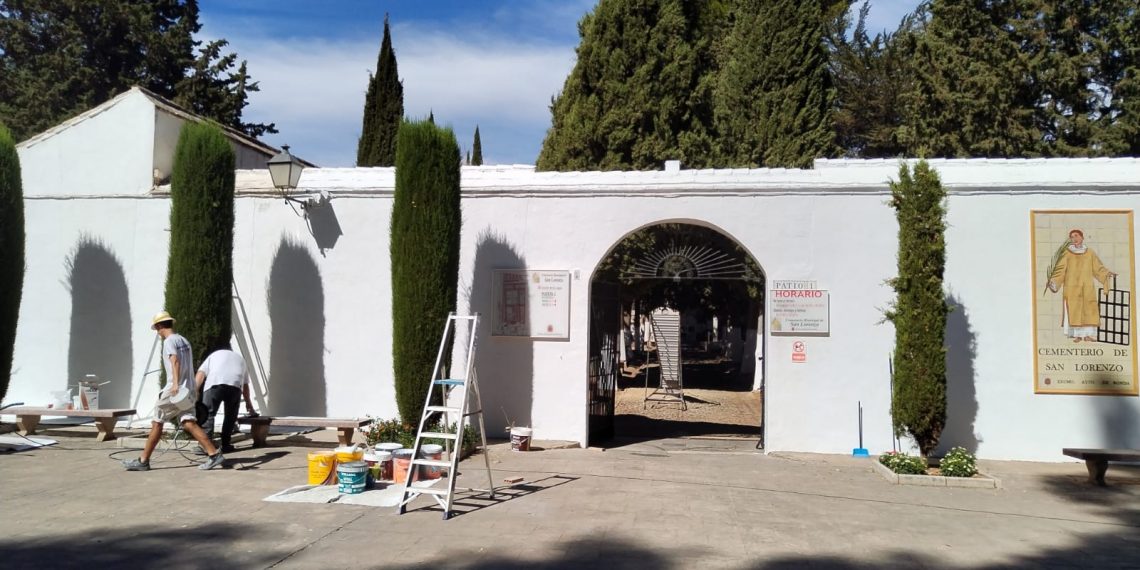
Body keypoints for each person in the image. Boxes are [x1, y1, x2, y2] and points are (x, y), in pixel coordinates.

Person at [122, 311, 225, 471]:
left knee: (157, 422)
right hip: (187, 389)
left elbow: (174, 361)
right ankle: (213, 454)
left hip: (174, 391)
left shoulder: (169, 341)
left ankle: (143, 461)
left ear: (159, 326)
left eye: (157, 328)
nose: (157, 332)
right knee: (188, 422)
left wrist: (175, 385)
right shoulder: (184, 340)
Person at [1047, 229, 1116, 343]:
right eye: (1072, 237)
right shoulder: (1066, 253)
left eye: (1076, 236)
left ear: (1082, 237)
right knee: (1075, 311)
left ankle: (1088, 335)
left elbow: (1098, 268)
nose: (1075, 239)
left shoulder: (1090, 253)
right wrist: (1053, 281)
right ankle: (1077, 336)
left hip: (1087, 288)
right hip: (1072, 288)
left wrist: (1107, 273)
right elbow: (1060, 271)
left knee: (1088, 311)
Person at [195, 344, 255, 454]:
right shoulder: (240, 359)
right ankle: (226, 445)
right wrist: (249, 404)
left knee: (208, 414)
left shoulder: (213, 355)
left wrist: (194, 392)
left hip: (215, 383)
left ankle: (205, 446)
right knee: (230, 417)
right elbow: (245, 385)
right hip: (235, 386)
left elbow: (201, 374)